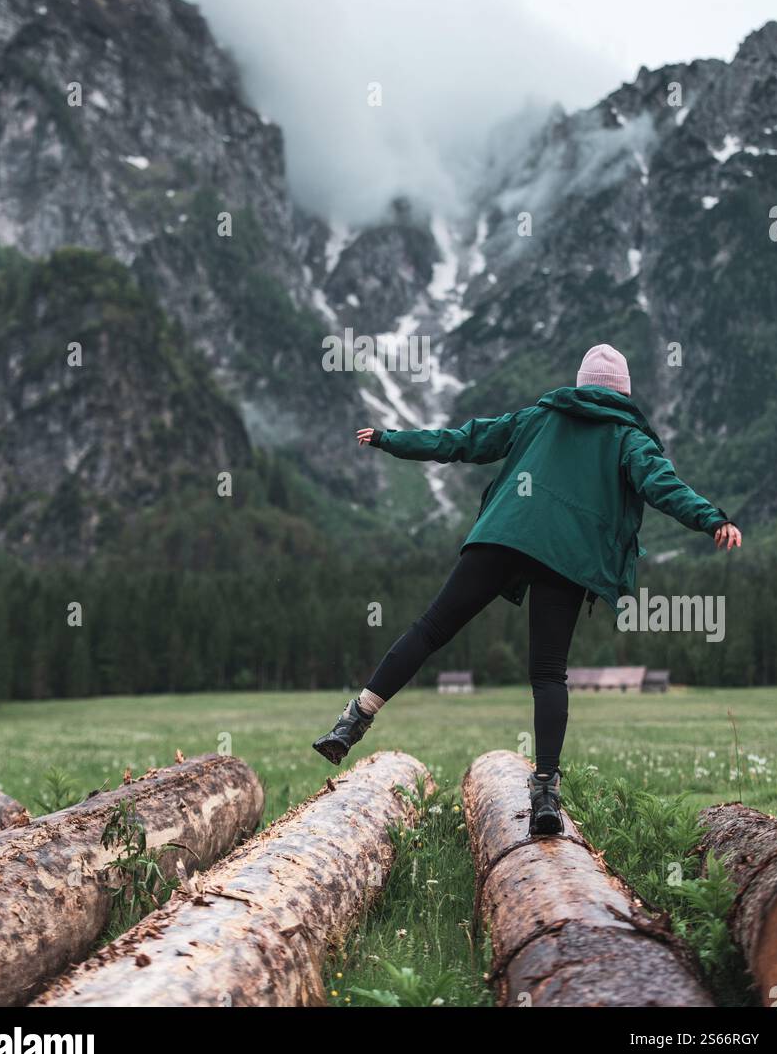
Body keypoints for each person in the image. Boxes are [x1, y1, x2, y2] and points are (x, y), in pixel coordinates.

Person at [312, 344, 742, 834]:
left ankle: (354, 720)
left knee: (430, 629)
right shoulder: (628, 438)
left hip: (503, 536)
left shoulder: (538, 417)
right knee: (548, 674)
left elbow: (462, 441)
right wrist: (713, 520)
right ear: (624, 391)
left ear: (581, 384)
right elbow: (664, 487)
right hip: (566, 558)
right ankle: (544, 795)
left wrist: (391, 439)